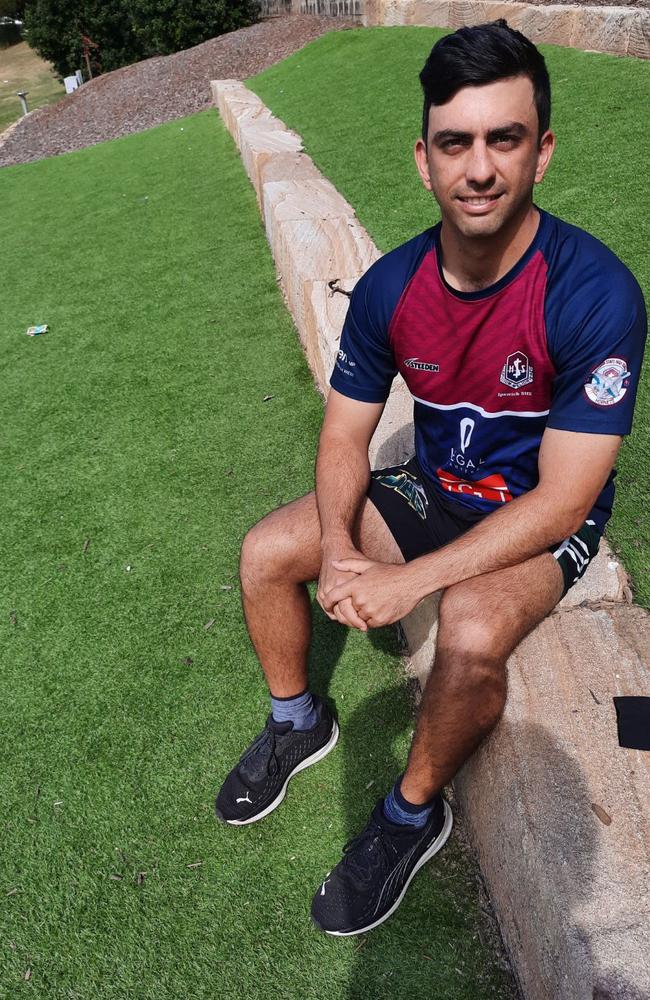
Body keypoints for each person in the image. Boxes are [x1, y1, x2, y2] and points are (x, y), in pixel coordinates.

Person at [215, 19, 647, 936]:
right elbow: (345, 435)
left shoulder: (595, 293)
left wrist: (411, 580)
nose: (480, 167)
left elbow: (566, 500)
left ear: (544, 151)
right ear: (424, 159)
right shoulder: (392, 288)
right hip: (438, 489)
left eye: (505, 138)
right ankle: (297, 720)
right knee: (266, 551)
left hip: (538, 518)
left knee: (473, 622)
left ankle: (413, 813)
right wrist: (337, 549)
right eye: (456, 142)